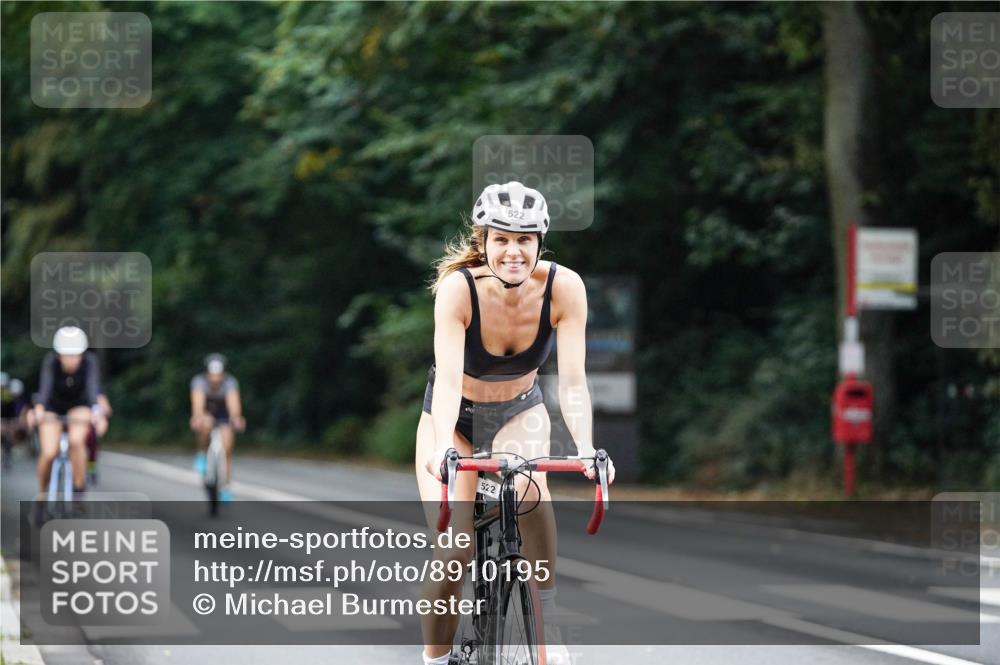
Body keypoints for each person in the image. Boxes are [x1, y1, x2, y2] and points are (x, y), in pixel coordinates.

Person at [416, 181, 615, 665]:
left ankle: (546, 619)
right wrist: (443, 446)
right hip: (454, 418)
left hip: (517, 411)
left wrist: (585, 448)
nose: (513, 251)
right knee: (455, 552)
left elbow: (572, 381)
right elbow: (447, 382)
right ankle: (435, 659)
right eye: (501, 239)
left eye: (524, 239)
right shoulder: (458, 290)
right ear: (482, 241)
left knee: (531, 490)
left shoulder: (564, 288)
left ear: (540, 243)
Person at [34, 327, 108, 497]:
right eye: (66, 355)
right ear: (58, 354)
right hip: (53, 407)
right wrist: (39, 410)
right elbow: (44, 390)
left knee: (76, 441)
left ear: (82, 354)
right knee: (49, 452)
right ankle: (42, 494)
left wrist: (98, 414)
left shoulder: (90, 362)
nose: (71, 359)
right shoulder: (50, 362)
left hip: (79, 406)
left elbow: (92, 390)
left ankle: (78, 486)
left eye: (75, 354)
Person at [189, 353, 244, 501]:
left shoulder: (230, 382)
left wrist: (236, 418)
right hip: (206, 412)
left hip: (223, 414)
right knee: (204, 424)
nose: (215, 380)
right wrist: (198, 418)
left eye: (218, 376)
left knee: (227, 448)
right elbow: (198, 405)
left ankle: (225, 485)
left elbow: (234, 405)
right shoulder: (199, 382)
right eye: (212, 376)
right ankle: (202, 453)